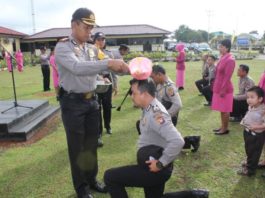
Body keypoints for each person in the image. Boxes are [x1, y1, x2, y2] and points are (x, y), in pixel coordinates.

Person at [54, 8, 129, 198]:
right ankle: (81, 189)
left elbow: (111, 65)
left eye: (91, 28)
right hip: (73, 104)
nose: (90, 32)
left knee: (91, 145)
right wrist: (108, 64)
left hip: (91, 102)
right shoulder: (63, 47)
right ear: (74, 25)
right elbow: (77, 68)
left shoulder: (91, 49)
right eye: (87, 27)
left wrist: (131, 68)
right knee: (77, 148)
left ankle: (92, 180)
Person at [104, 78, 185, 198]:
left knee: (110, 177)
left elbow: (178, 141)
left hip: (155, 169)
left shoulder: (156, 114)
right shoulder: (149, 107)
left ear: (145, 94)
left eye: (134, 93)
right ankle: (197, 194)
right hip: (152, 163)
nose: (132, 96)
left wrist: (160, 164)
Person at [150, 65, 201, 152]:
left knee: (166, 142)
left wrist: (166, 116)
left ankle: (192, 140)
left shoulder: (169, 86)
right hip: (162, 114)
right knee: (165, 140)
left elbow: (178, 104)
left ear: (159, 74)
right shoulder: (159, 84)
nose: (152, 79)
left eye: (153, 77)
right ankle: (193, 140)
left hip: (169, 116)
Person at [93, 32, 118, 147]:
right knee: (97, 108)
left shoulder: (109, 53)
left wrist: (115, 85)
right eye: (99, 39)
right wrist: (100, 77)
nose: (101, 41)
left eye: (103, 39)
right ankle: (98, 132)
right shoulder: (90, 53)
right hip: (96, 81)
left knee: (107, 105)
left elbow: (113, 71)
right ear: (94, 40)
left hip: (108, 80)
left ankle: (108, 126)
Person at [238, 86, 265, 176]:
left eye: (252, 97)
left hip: (256, 135)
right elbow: (248, 115)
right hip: (247, 132)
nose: (249, 100)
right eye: (248, 97)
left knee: (254, 152)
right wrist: (244, 121)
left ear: (260, 99)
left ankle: (250, 170)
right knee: (249, 149)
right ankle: (249, 163)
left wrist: (257, 127)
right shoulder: (251, 106)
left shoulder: (263, 110)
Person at [211, 39, 235, 135]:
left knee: (225, 110)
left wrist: (223, 89)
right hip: (218, 86)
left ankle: (225, 129)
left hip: (225, 89)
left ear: (227, 47)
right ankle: (222, 126)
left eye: (221, 46)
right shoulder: (222, 57)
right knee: (221, 109)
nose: (219, 48)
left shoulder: (230, 60)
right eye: (219, 46)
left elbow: (227, 76)